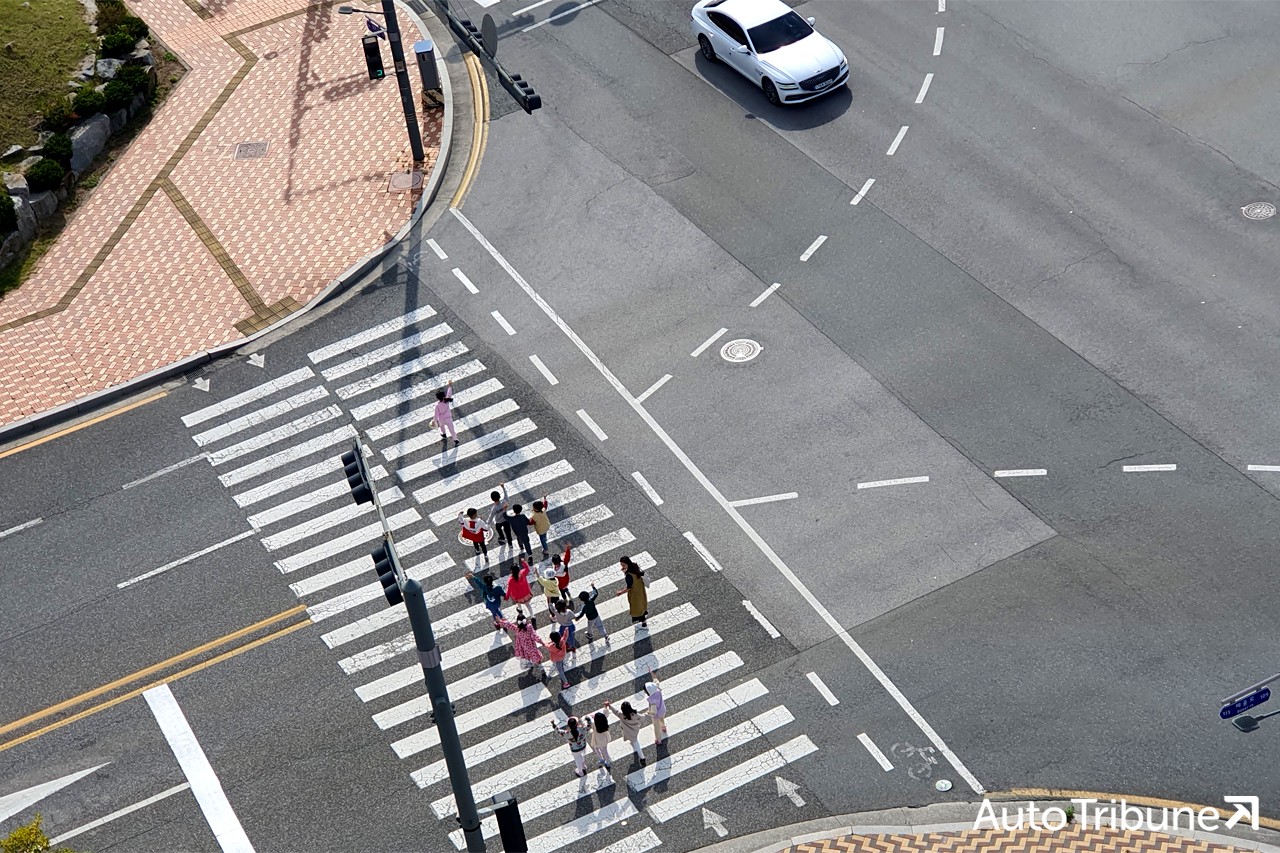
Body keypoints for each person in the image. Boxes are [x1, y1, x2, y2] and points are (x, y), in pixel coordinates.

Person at [495, 610, 547, 678]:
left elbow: (509, 625)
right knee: (536, 657)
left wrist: (500, 621)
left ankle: (530, 665)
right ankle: (542, 669)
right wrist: (541, 642)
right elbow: (535, 636)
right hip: (531, 646)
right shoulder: (529, 627)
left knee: (527, 656)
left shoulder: (517, 629)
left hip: (523, 647)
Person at [606, 699, 651, 766]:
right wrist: (645, 714)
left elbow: (615, 712)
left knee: (636, 744)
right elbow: (642, 717)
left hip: (628, 732)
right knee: (635, 742)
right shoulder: (634, 714)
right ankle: (641, 757)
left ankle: (642, 757)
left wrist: (609, 706)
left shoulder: (622, 716)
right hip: (634, 731)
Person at [614, 556, 648, 628]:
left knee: (637, 607)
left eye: (623, 565)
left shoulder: (629, 575)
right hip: (640, 588)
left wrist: (620, 592)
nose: (622, 566)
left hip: (635, 593)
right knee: (642, 603)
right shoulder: (635, 565)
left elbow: (629, 587)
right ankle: (644, 619)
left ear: (627, 563)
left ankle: (643, 622)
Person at [645, 666, 667, 744]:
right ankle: (663, 727)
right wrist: (651, 673)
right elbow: (656, 680)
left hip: (656, 715)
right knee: (662, 719)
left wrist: (647, 713)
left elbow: (653, 711)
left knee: (656, 728)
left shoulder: (652, 700)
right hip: (662, 709)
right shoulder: (657, 688)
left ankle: (658, 740)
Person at [434, 380, 458, 447]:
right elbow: (449, 394)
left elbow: (436, 415)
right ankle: (455, 439)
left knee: (442, 427)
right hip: (449, 419)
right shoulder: (446, 401)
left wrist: (434, 421)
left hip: (441, 419)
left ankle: (444, 434)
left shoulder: (437, 405)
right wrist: (450, 386)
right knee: (452, 430)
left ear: (437, 398)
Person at [488, 482, 511, 547]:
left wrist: (487, 523)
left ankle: (502, 538)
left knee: (499, 530)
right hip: (506, 520)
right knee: (508, 532)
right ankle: (510, 543)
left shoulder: (494, 508)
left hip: (498, 521)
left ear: (492, 499)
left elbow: (491, 516)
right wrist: (503, 487)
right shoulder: (504, 502)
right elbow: (506, 495)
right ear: (499, 496)